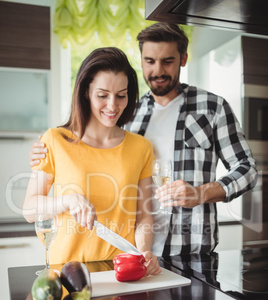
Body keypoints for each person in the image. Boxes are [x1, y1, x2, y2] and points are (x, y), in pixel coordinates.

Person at [29, 23, 258, 256]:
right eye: (149, 61)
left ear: (183, 59)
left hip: (190, 248)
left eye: (167, 61)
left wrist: (201, 193)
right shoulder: (126, 110)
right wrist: (48, 148)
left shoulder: (212, 108)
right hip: (132, 252)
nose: (157, 70)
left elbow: (247, 169)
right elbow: (90, 147)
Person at [23, 47, 160, 274]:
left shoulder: (141, 147)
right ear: (86, 91)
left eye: (121, 95)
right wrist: (68, 201)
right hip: (66, 272)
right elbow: (29, 209)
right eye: (102, 95)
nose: (113, 106)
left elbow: (144, 215)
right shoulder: (55, 140)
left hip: (121, 272)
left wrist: (144, 252)